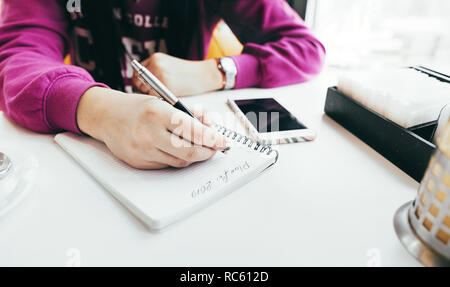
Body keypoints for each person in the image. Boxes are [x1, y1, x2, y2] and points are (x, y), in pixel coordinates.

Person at [0, 0, 325, 169]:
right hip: (86, 151)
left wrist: (216, 72)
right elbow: (17, 58)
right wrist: (98, 109)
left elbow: (306, 47)